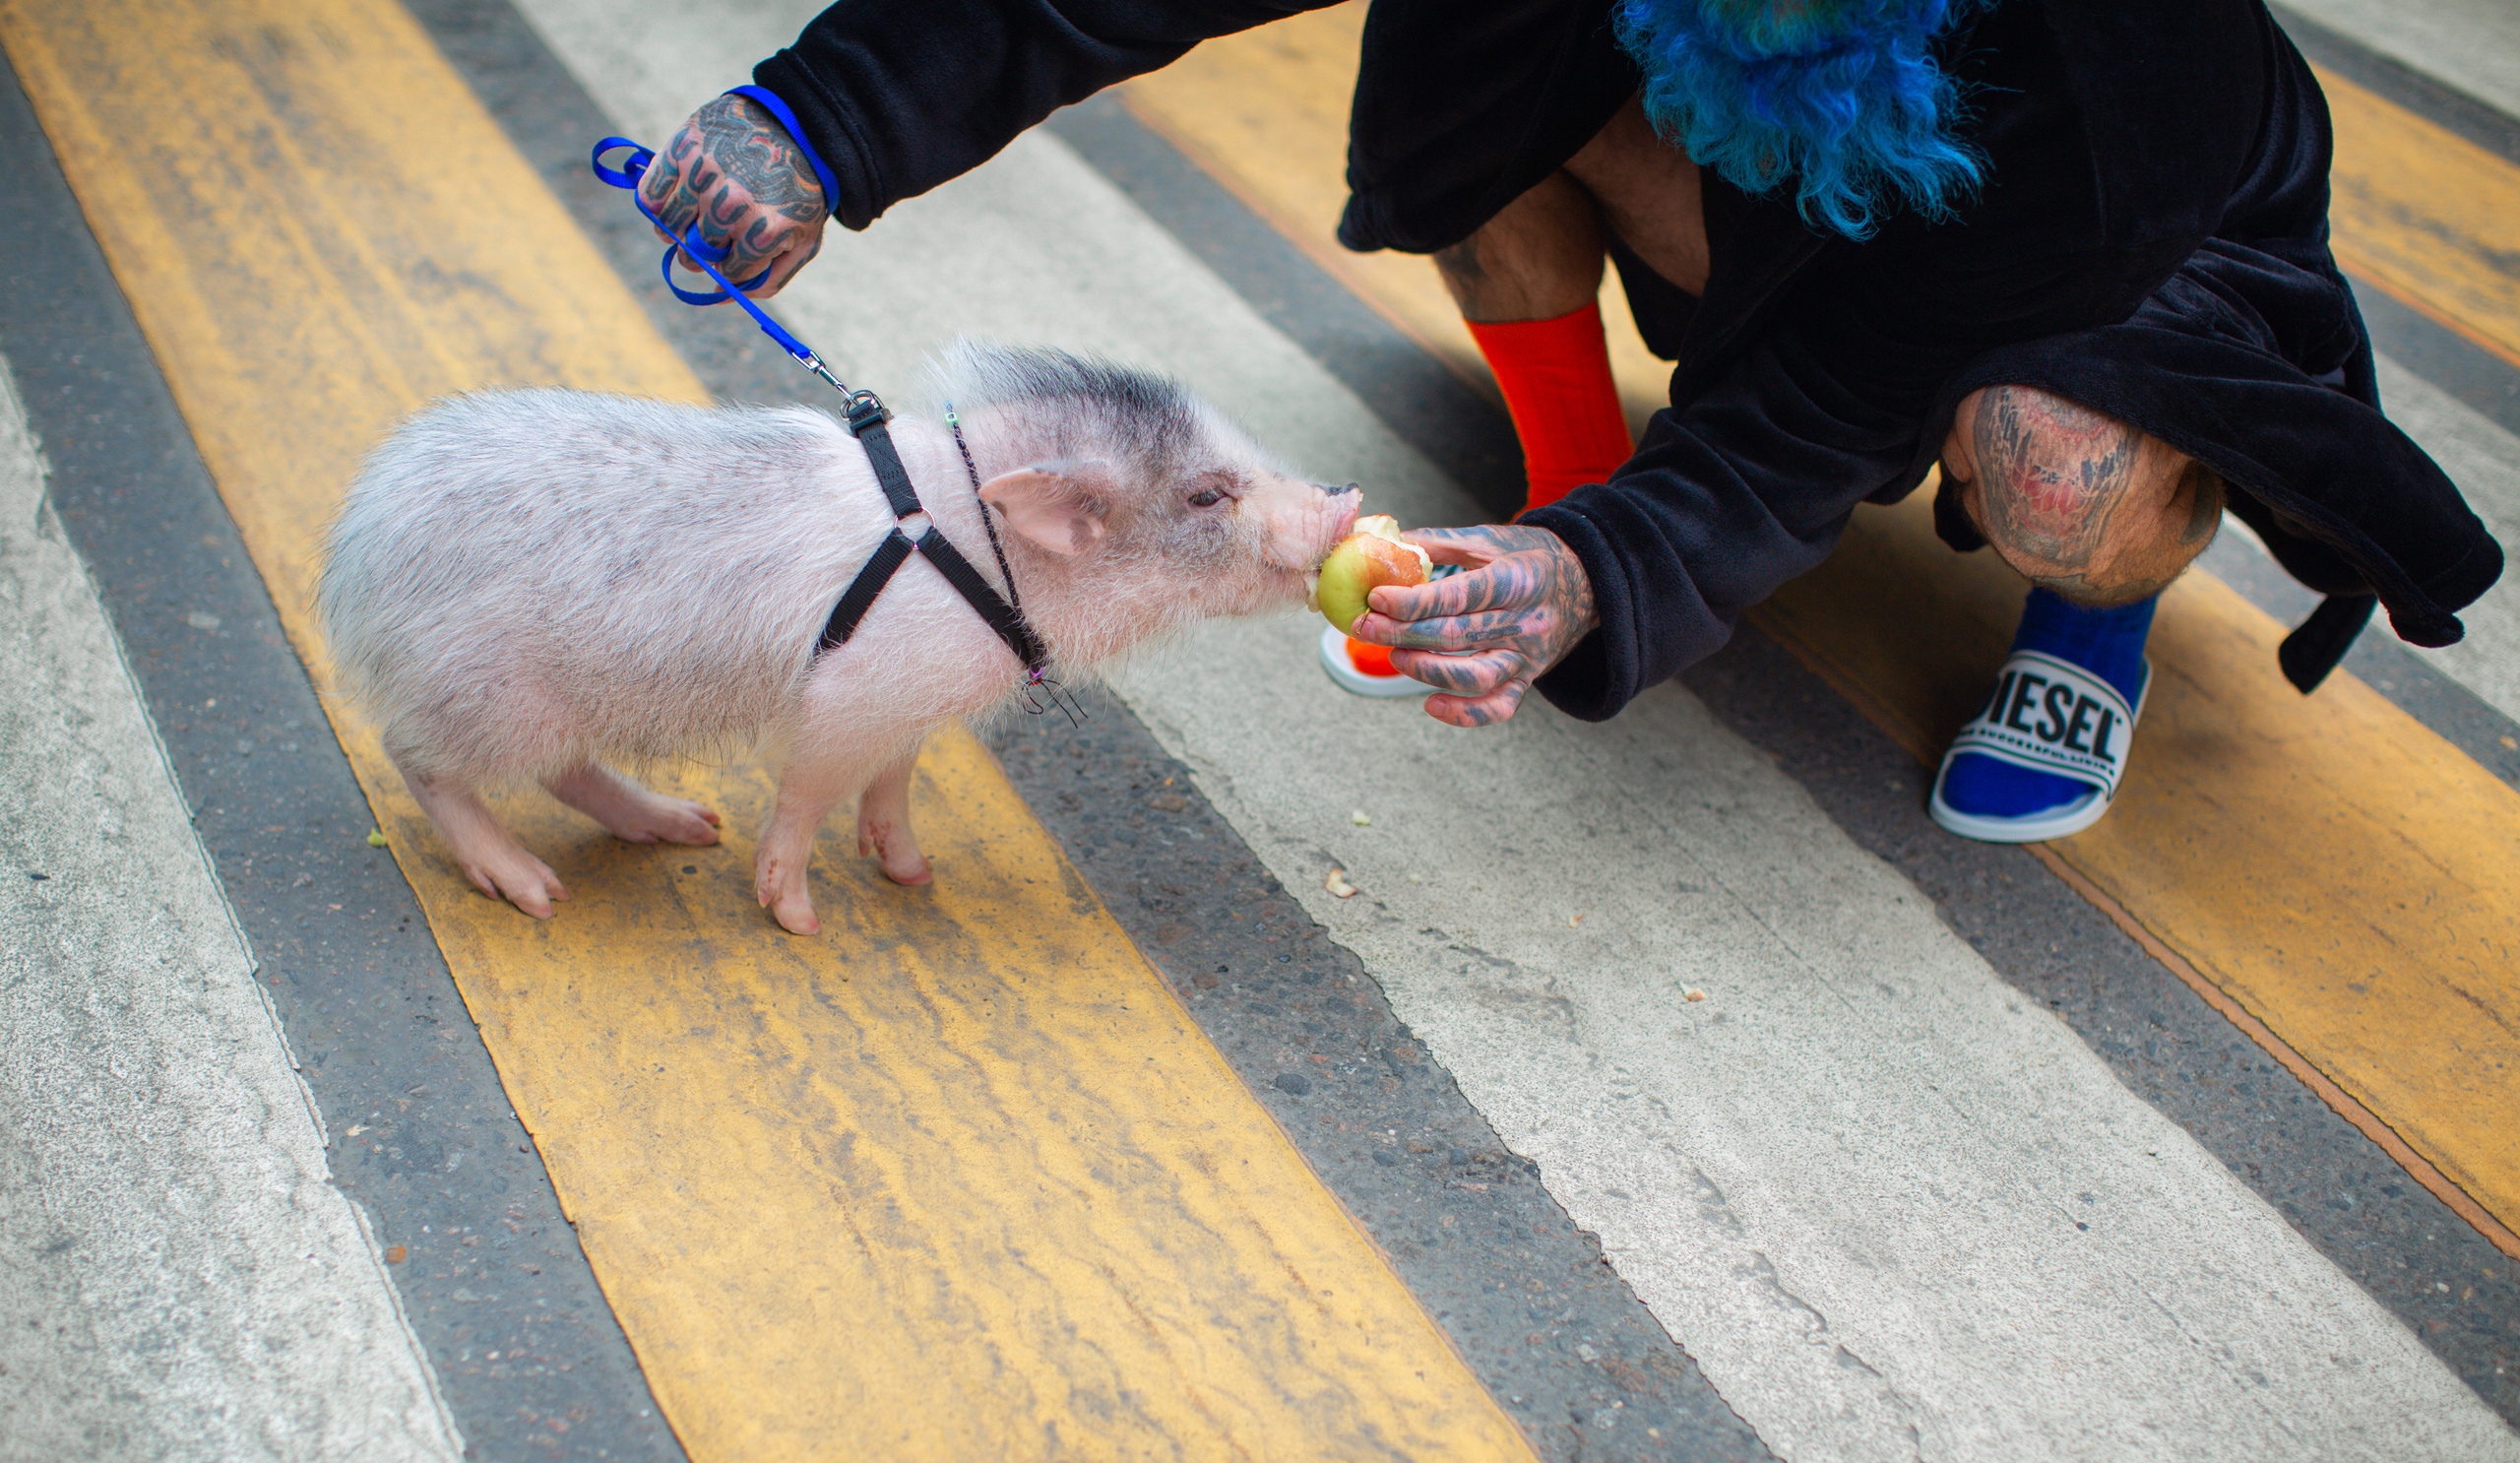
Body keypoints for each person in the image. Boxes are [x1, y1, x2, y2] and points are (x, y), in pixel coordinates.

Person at [635, 0, 2500, 842]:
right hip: (1766, 152)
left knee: (2049, 448)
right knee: (1480, 90)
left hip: (2097, 268)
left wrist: (1606, 580)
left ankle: (2096, 615)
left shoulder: (2123, 85)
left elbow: (1825, 409)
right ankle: (1567, 472)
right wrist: (824, 121)